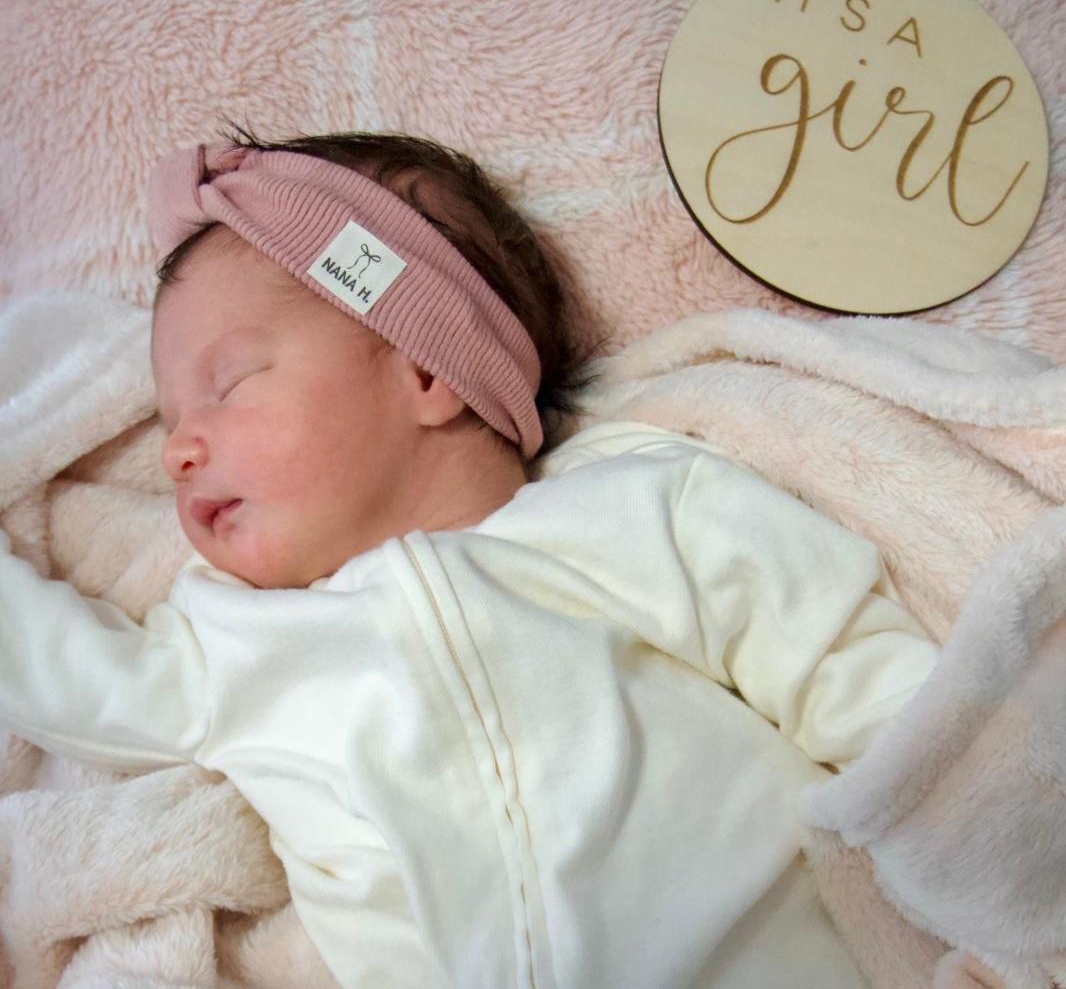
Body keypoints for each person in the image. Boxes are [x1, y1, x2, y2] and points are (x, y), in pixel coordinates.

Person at [0, 122, 940, 989]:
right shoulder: (234, 639)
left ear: (426, 370)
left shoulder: (632, 508)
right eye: (170, 418)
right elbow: (70, 675)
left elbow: (843, 662)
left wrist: (957, 841)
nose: (177, 449)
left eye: (230, 383)